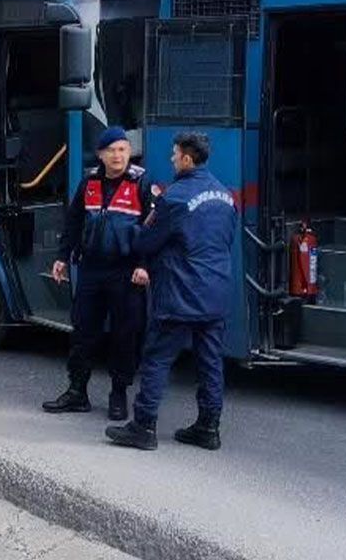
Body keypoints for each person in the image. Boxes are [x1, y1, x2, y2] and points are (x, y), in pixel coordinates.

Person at [106, 132, 237, 452]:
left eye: (175, 154)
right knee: (210, 362)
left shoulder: (175, 197)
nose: (172, 159)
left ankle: (143, 426)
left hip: (180, 292)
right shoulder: (225, 195)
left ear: (187, 159)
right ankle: (209, 427)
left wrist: (130, 233)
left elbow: (147, 241)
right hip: (216, 291)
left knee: (157, 358)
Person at [45, 126, 153, 421]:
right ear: (101, 155)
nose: (118, 156)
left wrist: (144, 264)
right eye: (112, 150)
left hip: (126, 271)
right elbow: (73, 221)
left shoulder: (142, 183)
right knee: (83, 331)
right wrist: (62, 257)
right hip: (92, 268)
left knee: (125, 334)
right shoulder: (89, 182)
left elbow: (152, 228)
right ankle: (77, 391)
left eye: (123, 150)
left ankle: (119, 394)